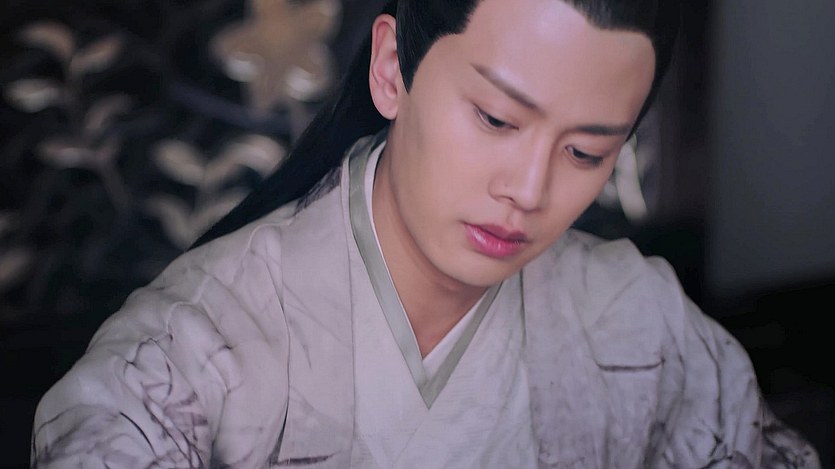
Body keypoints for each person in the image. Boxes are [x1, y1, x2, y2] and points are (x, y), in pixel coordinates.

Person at [31, 0, 820, 467]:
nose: (528, 190)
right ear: (390, 68)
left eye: (585, 153)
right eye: (496, 119)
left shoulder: (643, 323)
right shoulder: (189, 351)